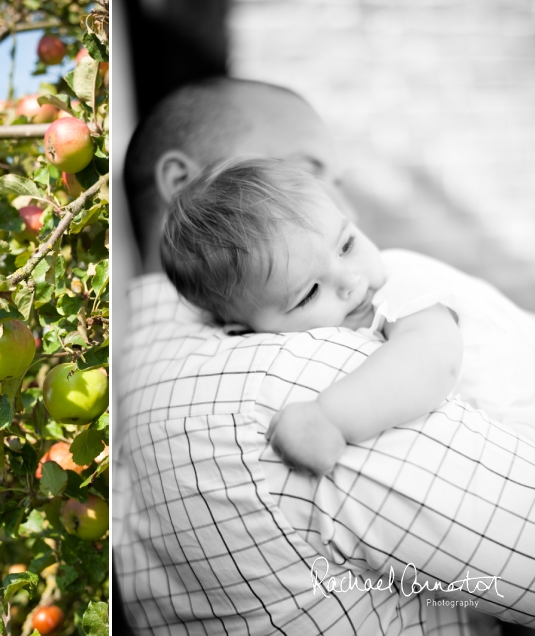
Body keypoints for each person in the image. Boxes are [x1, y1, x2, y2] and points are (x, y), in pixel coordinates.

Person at [113, 77, 535, 635]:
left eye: (346, 238)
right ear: (181, 181)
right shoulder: (309, 369)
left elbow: (437, 348)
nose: (351, 279)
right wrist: (330, 416)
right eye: (310, 168)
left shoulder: (136, 388)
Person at [160, 158, 535, 475]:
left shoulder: (402, 280)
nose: (350, 281)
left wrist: (331, 419)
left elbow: (434, 358)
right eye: (309, 292)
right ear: (245, 332)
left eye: (347, 245)